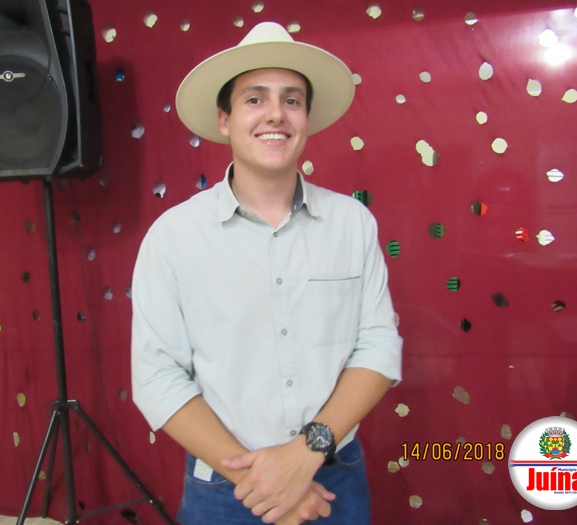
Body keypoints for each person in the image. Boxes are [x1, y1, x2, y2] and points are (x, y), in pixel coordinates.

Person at [131, 22, 402, 525]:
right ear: (225, 119)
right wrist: (265, 482)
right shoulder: (174, 237)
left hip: (335, 476)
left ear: (306, 118)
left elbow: (378, 346)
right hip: (224, 487)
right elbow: (157, 377)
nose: (275, 113)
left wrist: (304, 455)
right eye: (255, 99)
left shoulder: (352, 223)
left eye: (291, 100)